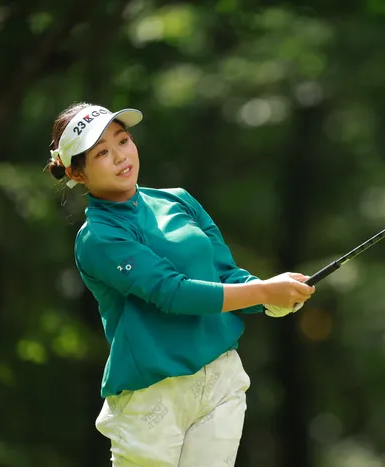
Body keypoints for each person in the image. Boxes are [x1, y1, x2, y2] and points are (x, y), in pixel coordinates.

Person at [46, 102, 316, 466]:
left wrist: (272, 298)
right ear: (76, 173)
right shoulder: (97, 237)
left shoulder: (178, 200)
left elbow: (226, 275)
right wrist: (265, 291)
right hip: (152, 398)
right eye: (102, 153)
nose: (120, 156)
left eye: (123, 140)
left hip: (220, 378)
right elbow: (170, 292)